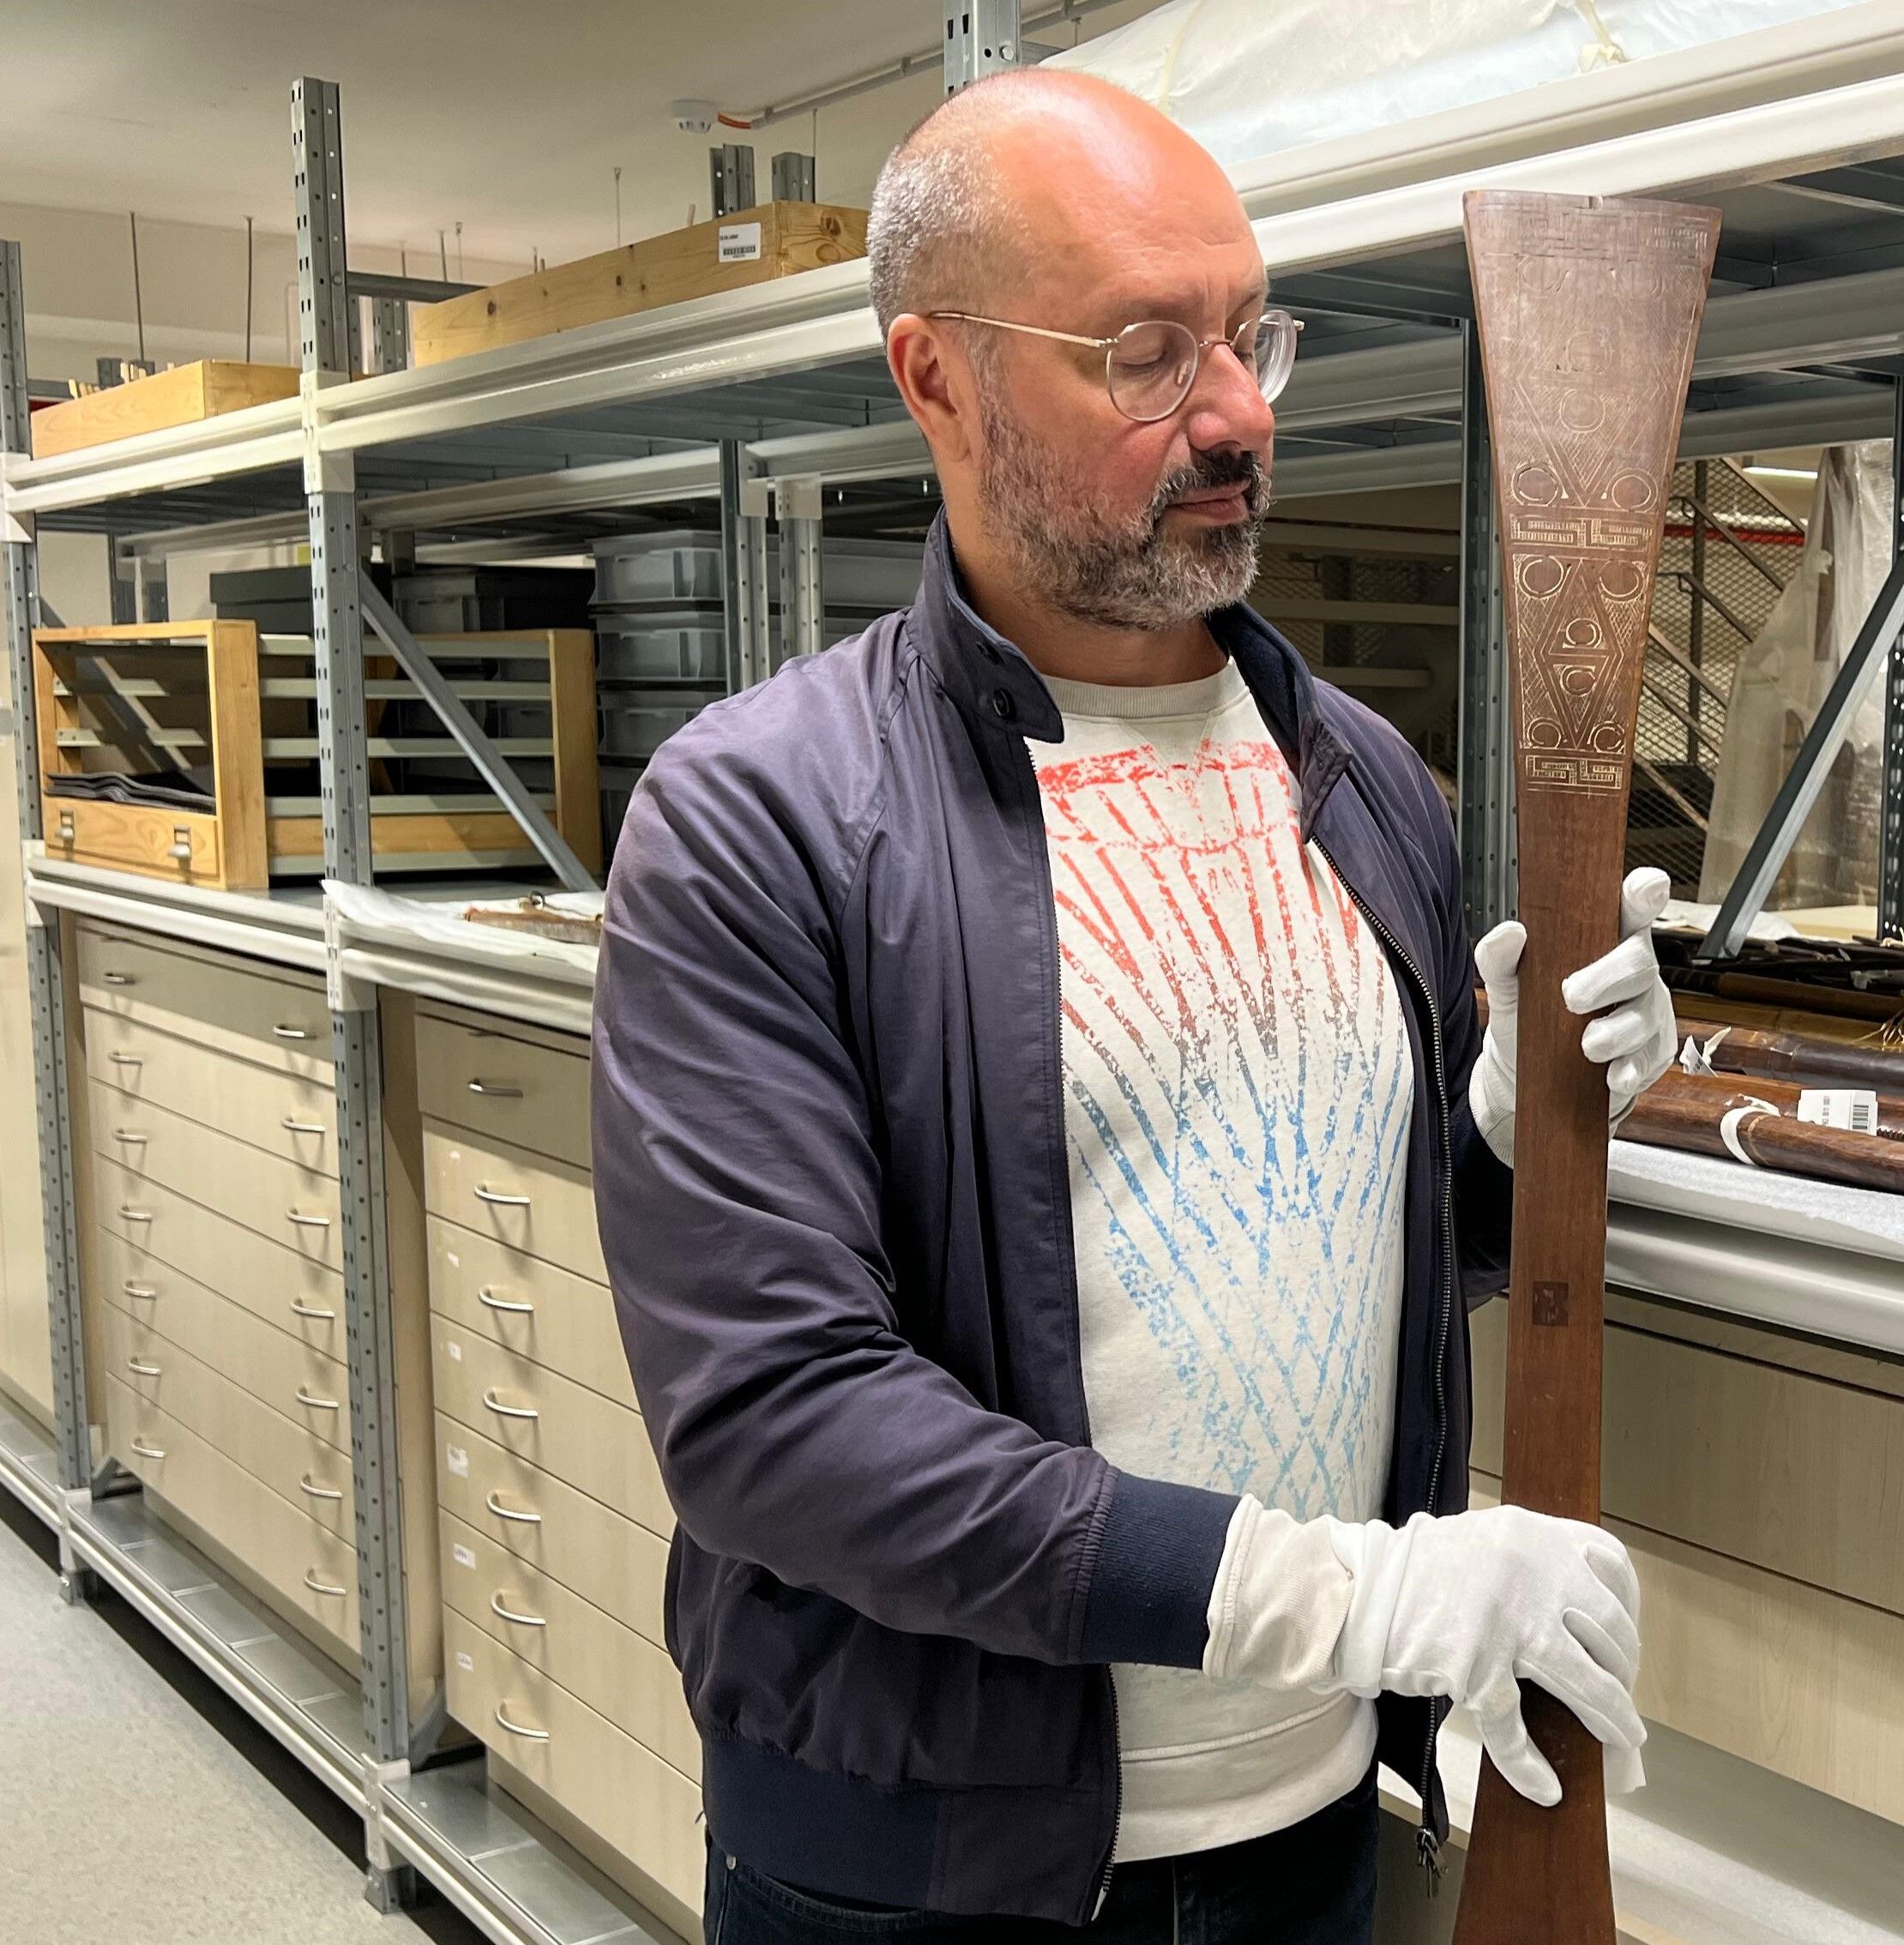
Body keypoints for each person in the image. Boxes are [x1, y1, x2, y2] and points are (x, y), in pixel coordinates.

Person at [591, 69, 1679, 1943]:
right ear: (937, 377)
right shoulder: (763, 818)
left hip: (1308, 1833)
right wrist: (1351, 1598)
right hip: (932, 1880)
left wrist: (1503, 1145)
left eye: (1251, 332)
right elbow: (778, 1418)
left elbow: (1336, 1252)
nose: (1239, 411)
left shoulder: (1364, 784)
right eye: (1146, 353)